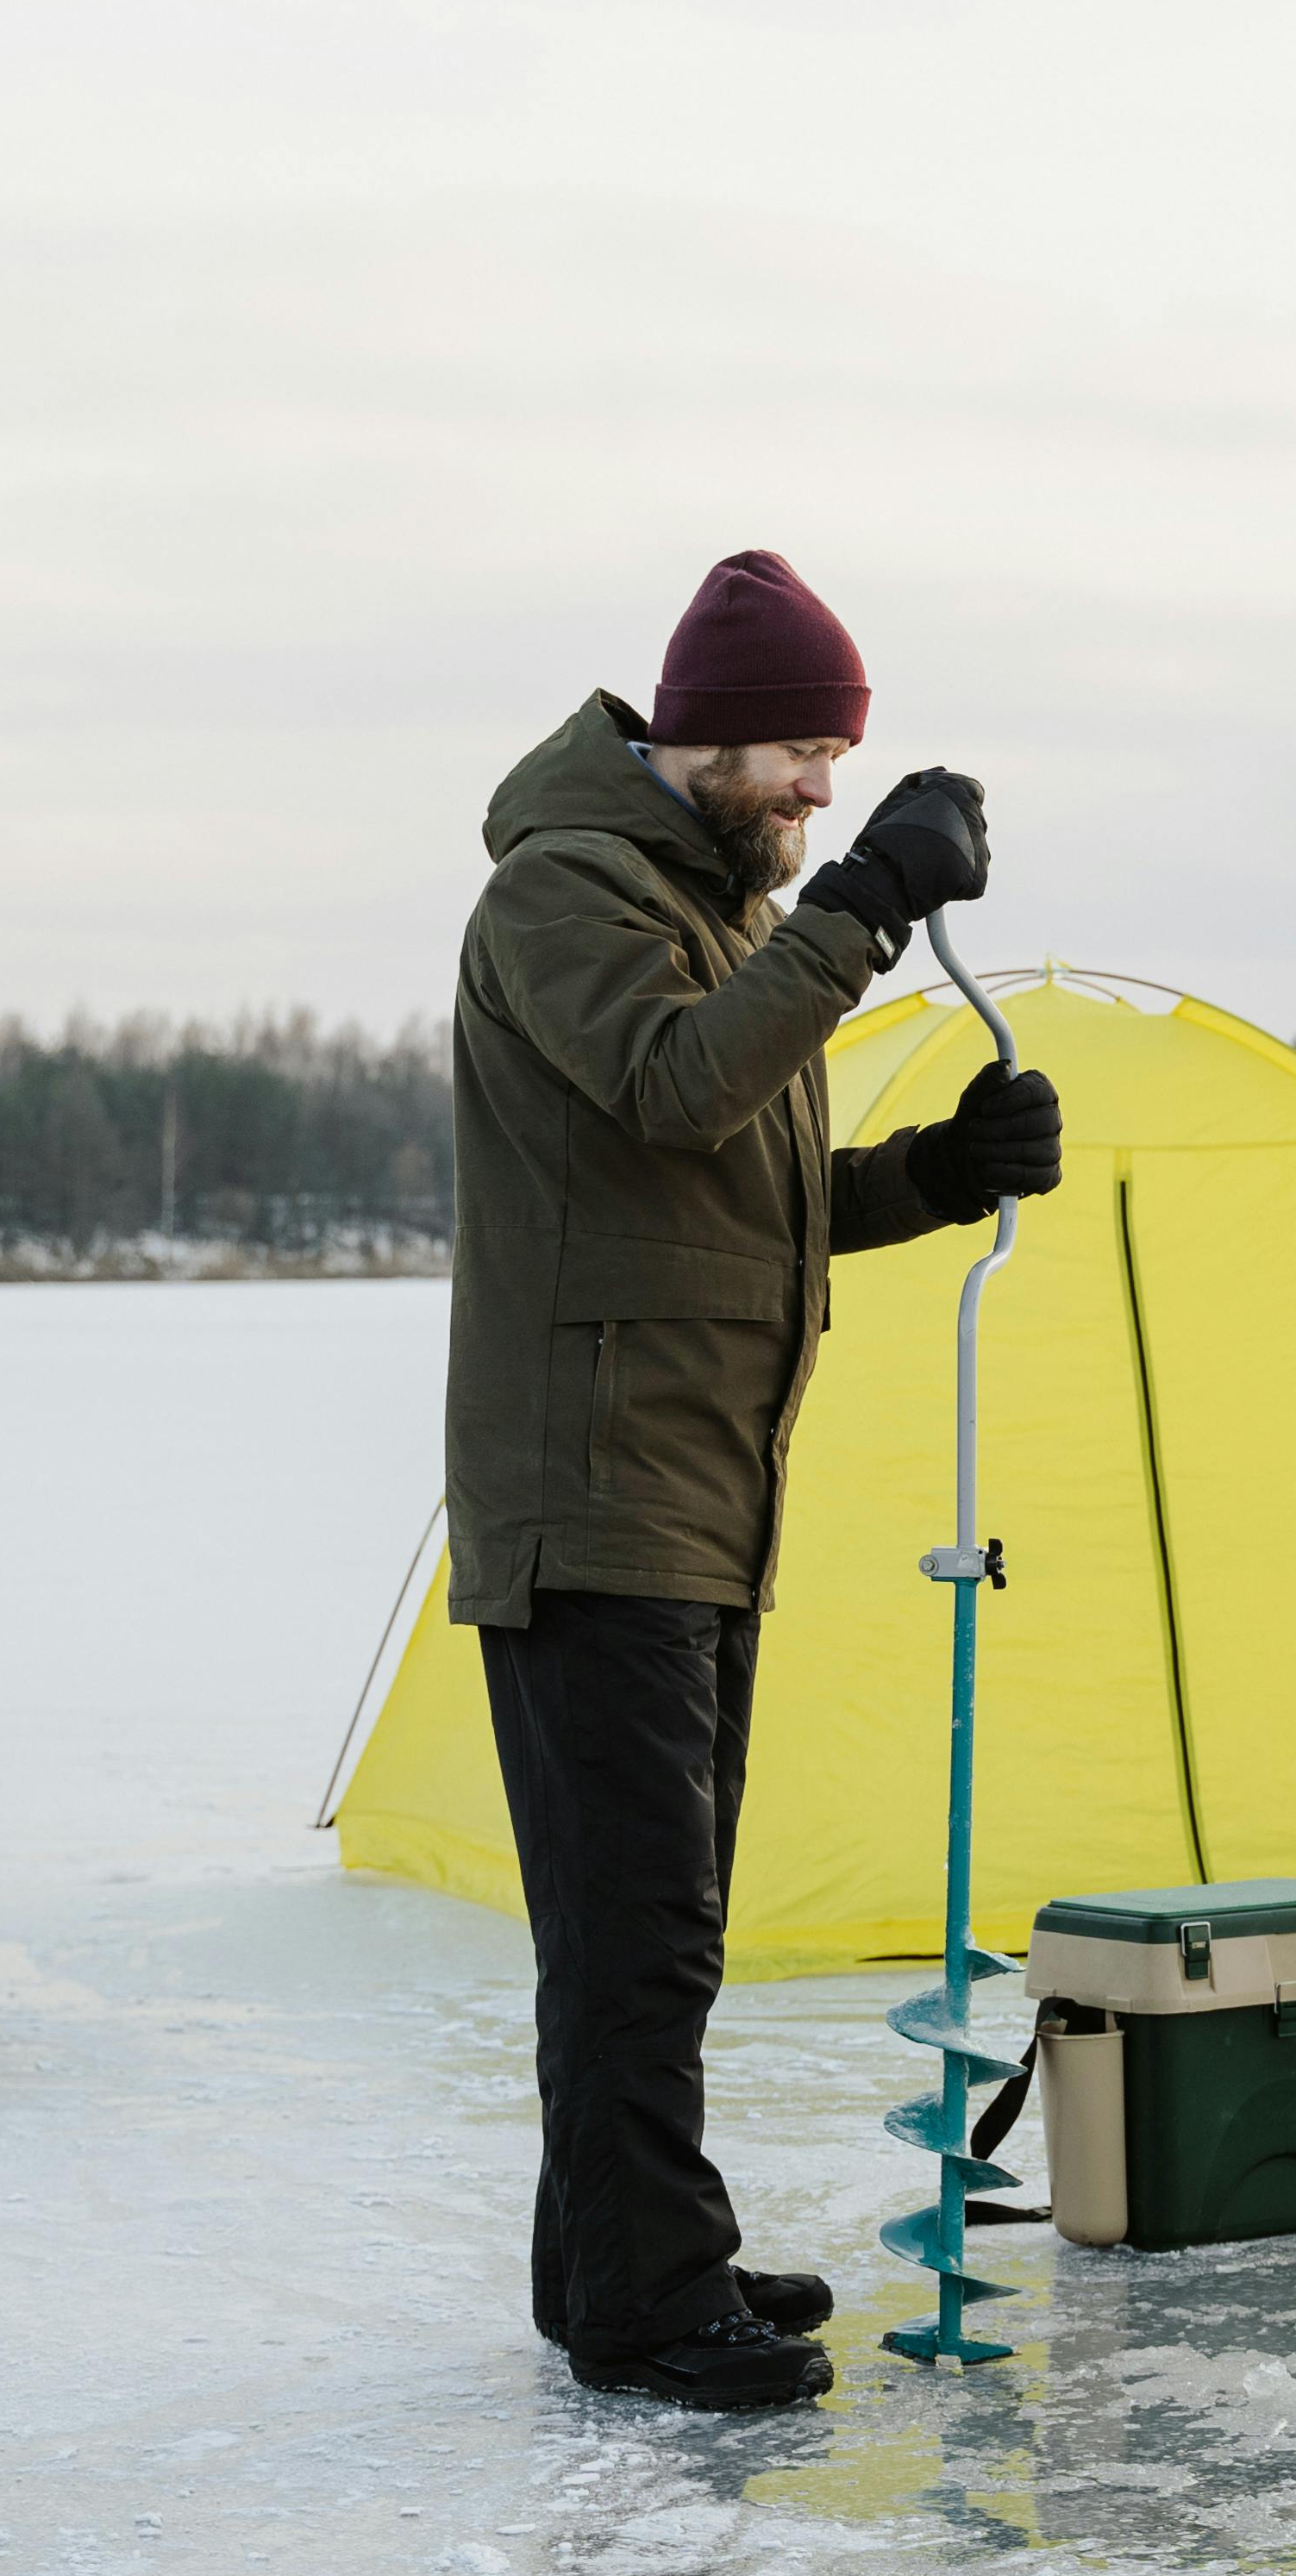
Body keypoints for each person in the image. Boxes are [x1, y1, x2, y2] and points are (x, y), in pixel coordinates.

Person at [445, 548, 1067, 2411]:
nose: (816, 788)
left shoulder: (713, 914)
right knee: (637, 1939)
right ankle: (649, 2303)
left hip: (701, 1496)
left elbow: (749, 1194)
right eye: (797, 751)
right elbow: (674, 1086)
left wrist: (936, 1173)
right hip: (593, 1495)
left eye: (835, 758)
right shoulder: (563, 895)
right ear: (704, 738)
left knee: (655, 1929)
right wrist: (870, 901)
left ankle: (623, 2263)